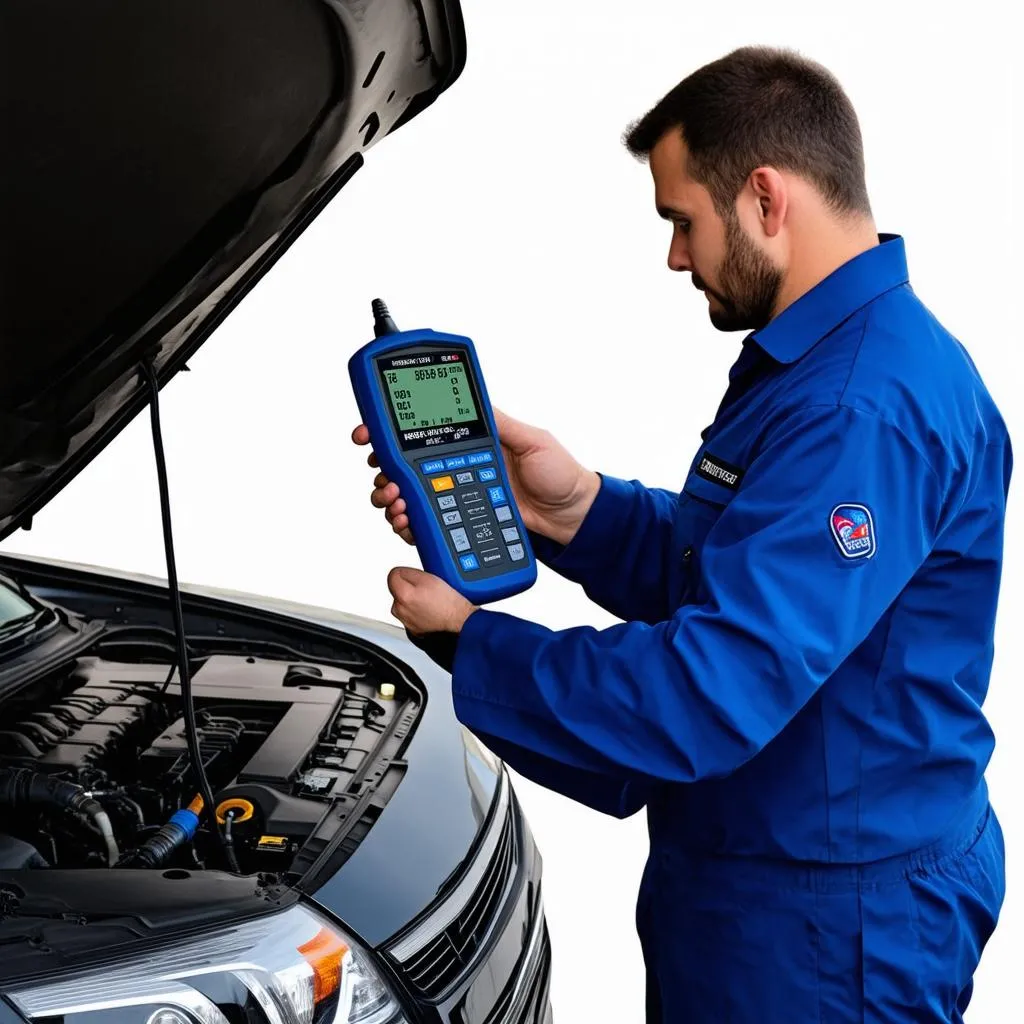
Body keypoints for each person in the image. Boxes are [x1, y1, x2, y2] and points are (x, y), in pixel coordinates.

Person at [352, 46, 1009, 1023]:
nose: (672, 255)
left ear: (763, 199)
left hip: (824, 932)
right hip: (786, 880)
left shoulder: (858, 407)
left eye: (680, 220)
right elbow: (744, 567)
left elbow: (707, 688)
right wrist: (576, 508)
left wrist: (469, 640)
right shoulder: (828, 359)